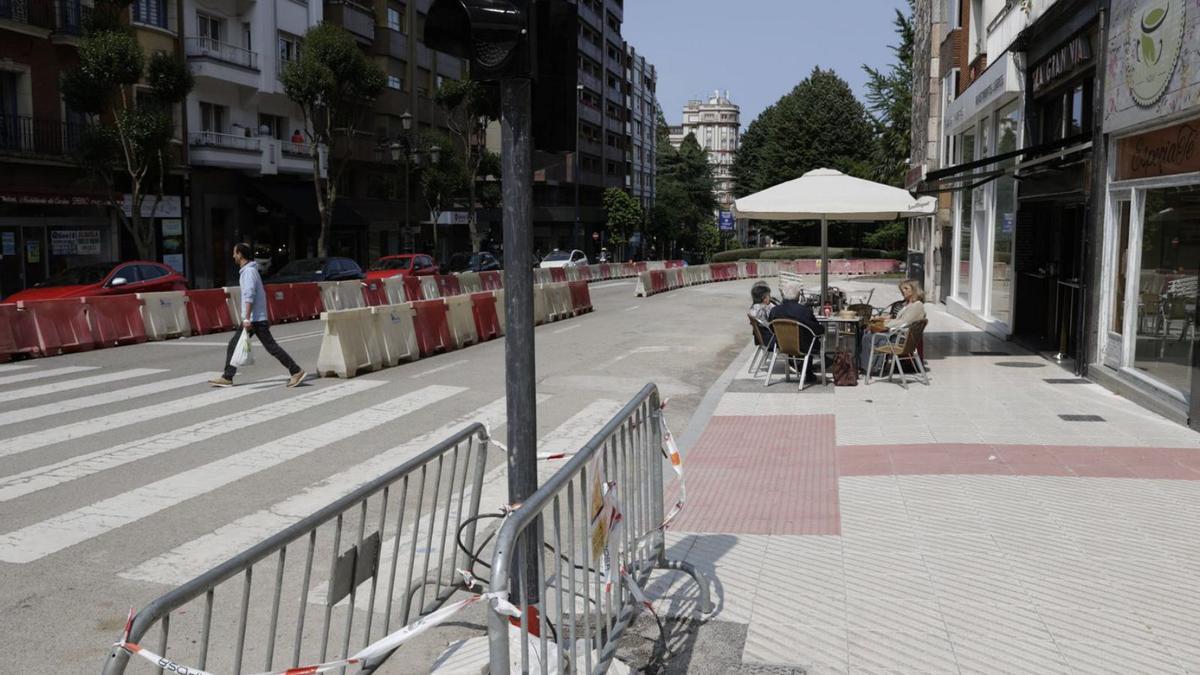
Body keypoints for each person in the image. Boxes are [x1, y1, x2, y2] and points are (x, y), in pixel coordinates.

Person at [209, 243, 306, 388]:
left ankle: (296, 370)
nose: (233, 256)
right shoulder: (249, 271)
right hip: (255, 318)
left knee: (270, 347)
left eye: (235, 253)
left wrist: (246, 318)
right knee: (236, 345)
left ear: (240, 254)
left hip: (254, 319)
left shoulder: (248, 272)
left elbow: (249, 295)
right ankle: (227, 376)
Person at [861, 279, 926, 374]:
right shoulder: (910, 304)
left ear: (914, 290)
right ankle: (872, 367)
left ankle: (868, 368)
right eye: (902, 288)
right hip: (900, 335)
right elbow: (900, 320)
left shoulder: (917, 306)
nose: (903, 291)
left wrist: (884, 323)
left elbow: (904, 322)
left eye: (906, 288)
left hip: (902, 339)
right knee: (870, 335)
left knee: (868, 337)